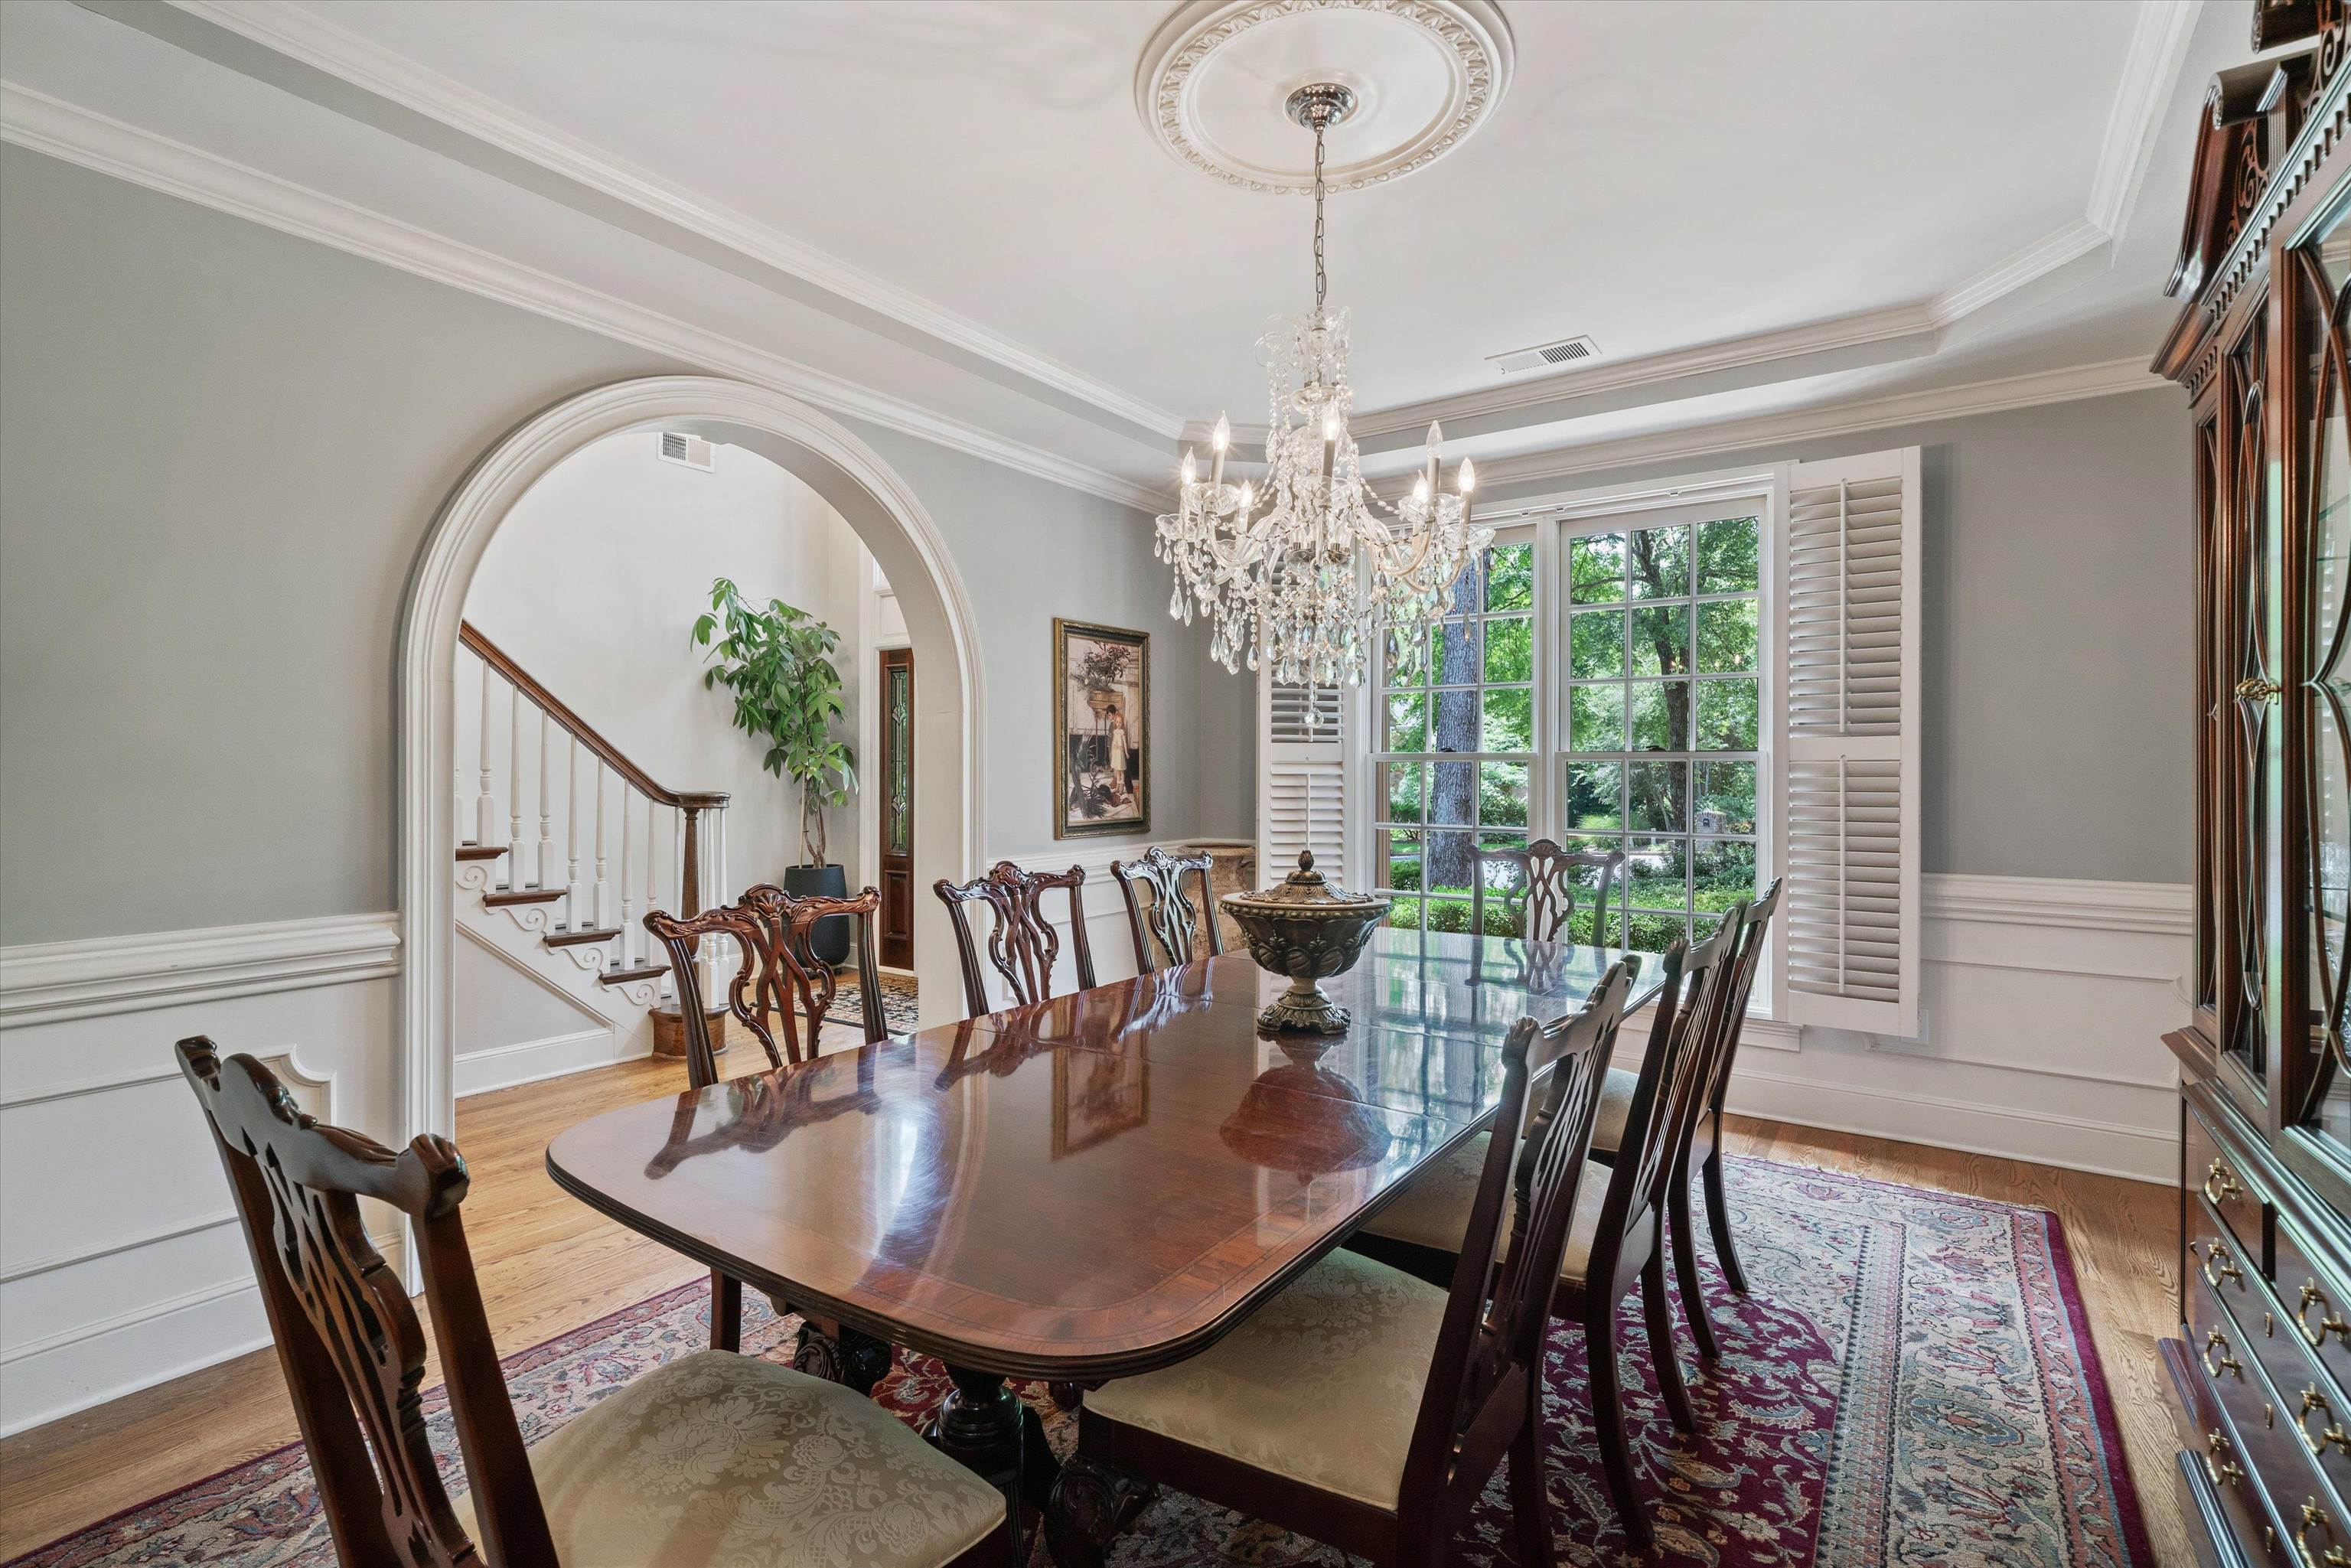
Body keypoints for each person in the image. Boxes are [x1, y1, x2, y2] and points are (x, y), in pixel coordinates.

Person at [1106, 704, 1131, 806]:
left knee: (1121, 770)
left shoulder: (1121, 732)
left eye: (1120, 722)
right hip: (1115, 752)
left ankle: (1121, 787)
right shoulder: (1115, 730)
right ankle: (1117, 786)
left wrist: (1126, 752)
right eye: (1117, 722)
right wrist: (1112, 750)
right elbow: (1113, 741)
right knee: (1117, 768)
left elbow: (1124, 743)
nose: (1118, 724)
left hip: (1120, 753)